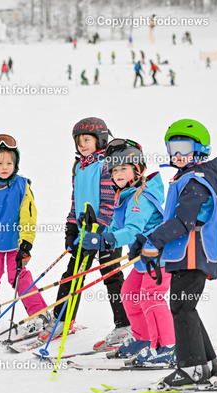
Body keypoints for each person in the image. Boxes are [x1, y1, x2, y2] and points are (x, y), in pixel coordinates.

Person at [130, 119, 217, 387]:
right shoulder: (185, 179)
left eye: (184, 147)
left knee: (182, 308)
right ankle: (207, 364)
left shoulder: (196, 182)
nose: (177, 154)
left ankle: (192, 368)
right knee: (186, 307)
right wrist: (146, 240)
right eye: (173, 148)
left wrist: (155, 241)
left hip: (193, 256)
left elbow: (184, 222)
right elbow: (171, 220)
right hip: (184, 256)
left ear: (200, 149)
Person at [81, 139, 175, 365]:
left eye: (123, 168)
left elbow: (132, 231)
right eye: (114, 170)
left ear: (137, 170)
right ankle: (143, 338)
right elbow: (115, 228)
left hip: (160, 257)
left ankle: (168, 346)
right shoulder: (124, 196)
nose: (118, 174)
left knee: (151, 297)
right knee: (130, 293)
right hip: (145, 260)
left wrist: (108, 239)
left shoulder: (139, 198)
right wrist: (98, 234)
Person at [39, 118, 130, 350]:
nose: (82, 145)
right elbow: (75, 202)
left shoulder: (105, 165)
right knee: (73, 274)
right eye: (79, 141)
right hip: (84, 232)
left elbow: (109, 203)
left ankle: (125, 325)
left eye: (87, 140)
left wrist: (97, 229)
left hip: (107, 232)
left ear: (100, 140)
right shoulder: (78, 167)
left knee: (111, 276)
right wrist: (71, 227)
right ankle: (62, 320)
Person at [0, 135, 51, 335]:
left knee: (19, 276)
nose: (4, 167)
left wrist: (26, 244)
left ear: (16, 164)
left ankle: (39, 314)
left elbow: (28, 216)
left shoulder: (22, 187)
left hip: (16, 244)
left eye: (9, 163)